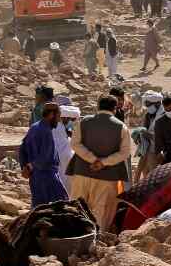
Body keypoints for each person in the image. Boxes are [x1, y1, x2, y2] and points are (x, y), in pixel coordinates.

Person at [67, 95, 132, 232]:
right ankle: (96, 241)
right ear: (115, 109)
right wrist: (103, 162)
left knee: (77, 208)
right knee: (101, 212)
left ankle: (74, 235)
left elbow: (74, 144)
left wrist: (92, 159)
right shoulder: (121, 127)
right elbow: (125, 152)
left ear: (98, 106)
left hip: (82, 173)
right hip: (107, 177)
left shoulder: (84, 122)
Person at [19, 102, 70, 206]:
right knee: (62, 205)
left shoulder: (34, 127)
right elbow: (46, 156)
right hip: (47, 176)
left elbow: (22, 149)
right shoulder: (45, 131)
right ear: (51, 114)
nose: (59, 120)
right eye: (58, 116)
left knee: (39, 207)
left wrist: (24, 166)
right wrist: (29, 166)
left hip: (35, 177)